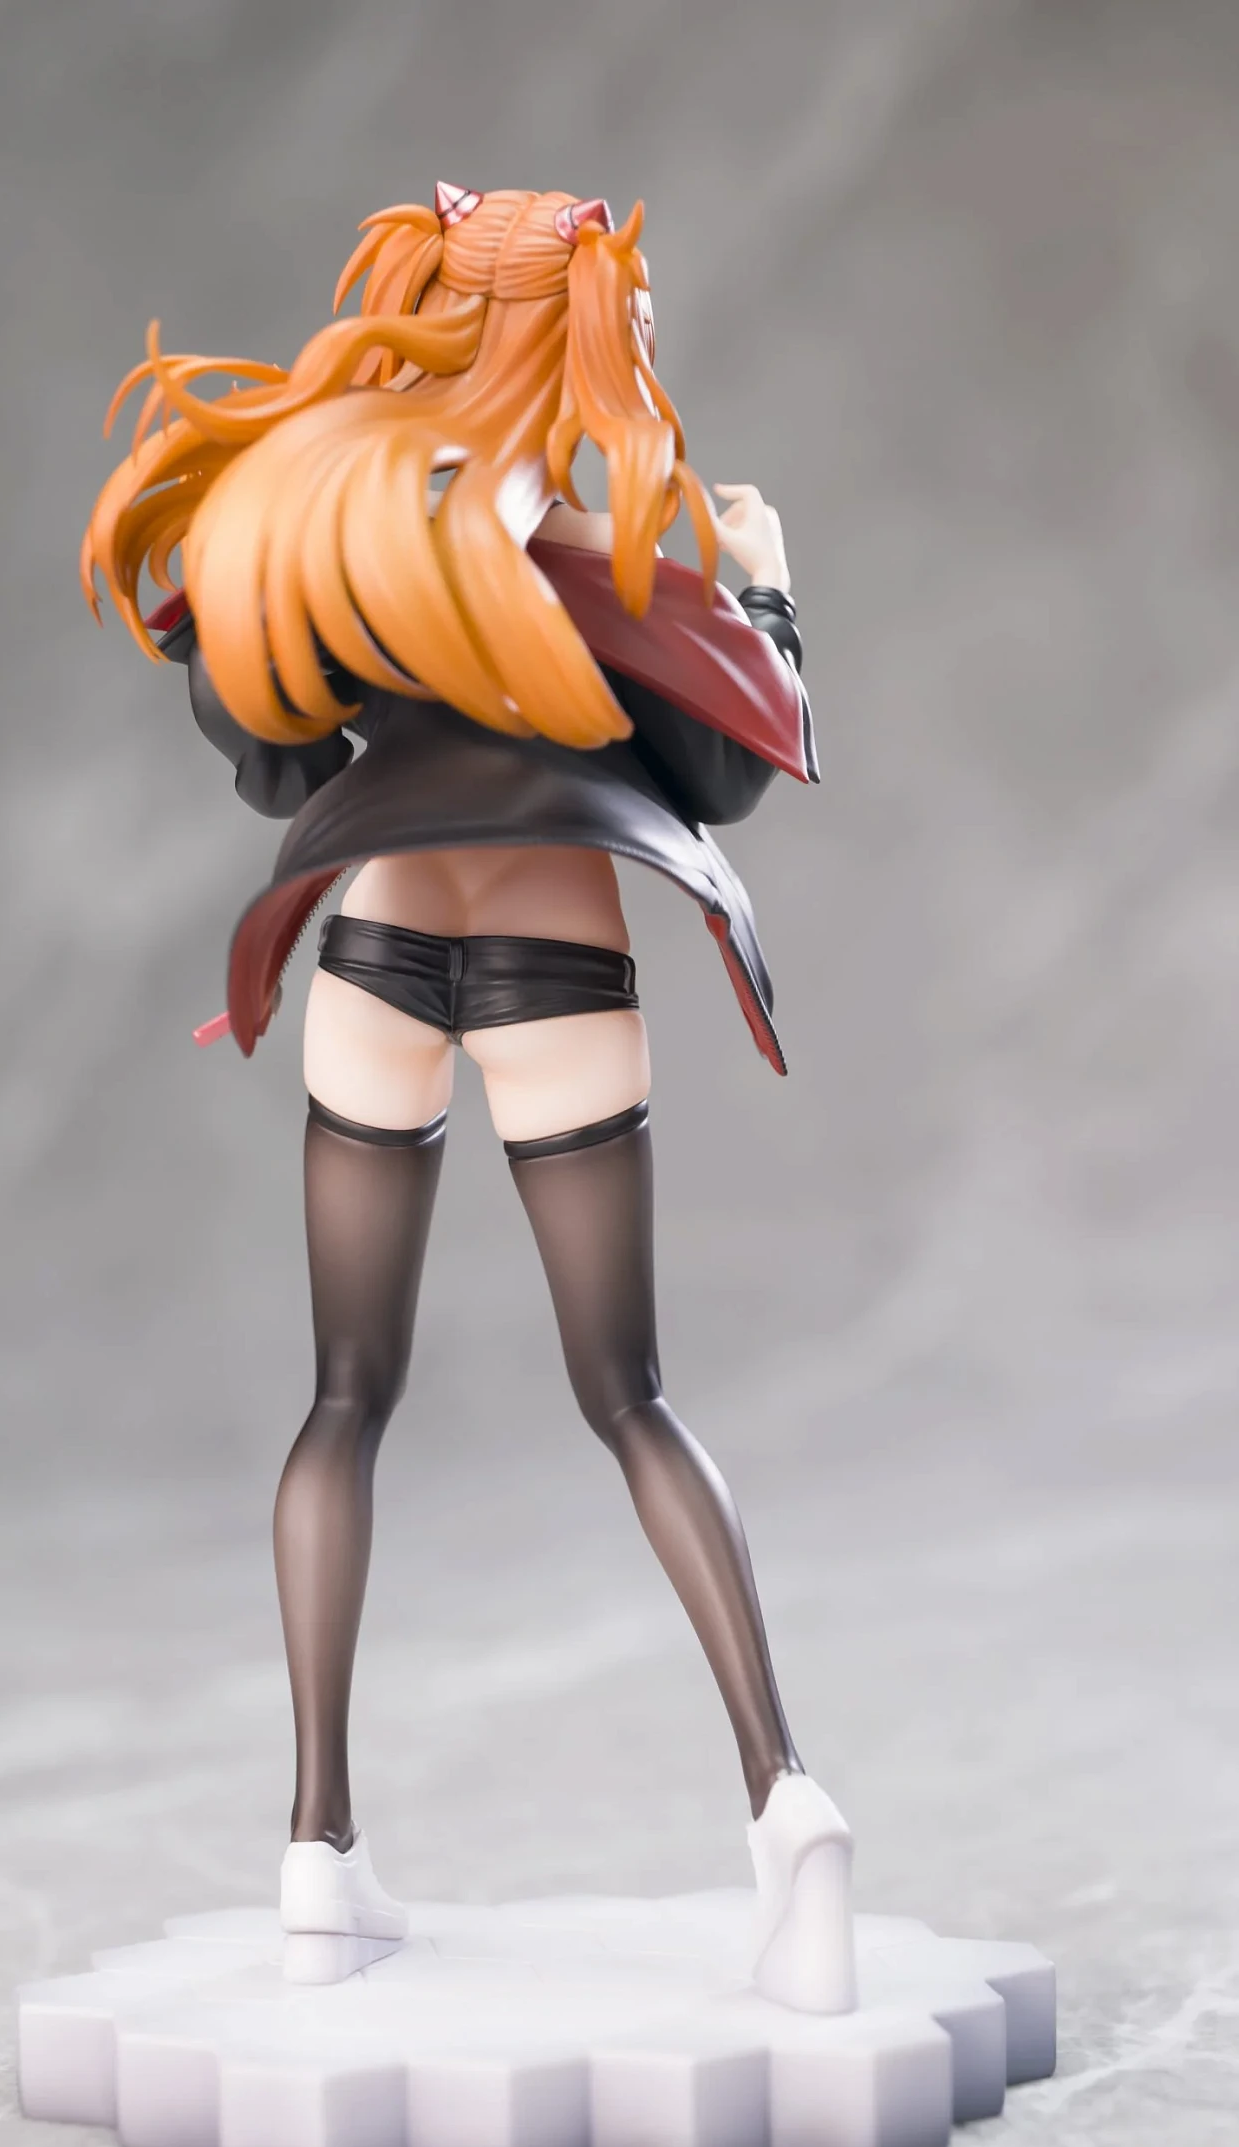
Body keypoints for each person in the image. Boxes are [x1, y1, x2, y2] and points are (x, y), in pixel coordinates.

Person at [82, 184, 856, 2014]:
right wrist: (761, 577)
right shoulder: (600, 553)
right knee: (630, 1396)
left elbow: (275, 760)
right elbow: (740, 767)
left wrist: (256, 573)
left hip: (372, 941)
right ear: (578, 341)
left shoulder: (348, 524)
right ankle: (789, 1805)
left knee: (345, 1397)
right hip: (555, 956)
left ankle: (316, 1851)